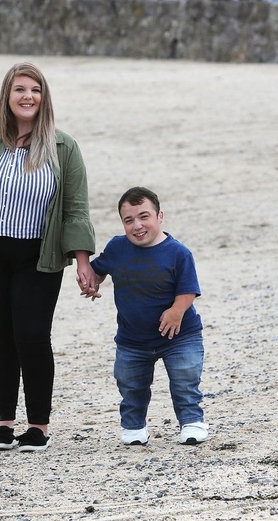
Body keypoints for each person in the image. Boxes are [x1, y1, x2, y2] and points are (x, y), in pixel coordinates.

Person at [0, 62, 97, 452]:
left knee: (31, 335)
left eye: (35, 89)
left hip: (39, 255)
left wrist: (83, 262)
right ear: (7, 96)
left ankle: (38, 427)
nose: (28, 96)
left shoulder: (63, 147)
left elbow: (76, 209)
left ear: (44, 97)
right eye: (20, 89)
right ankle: (4, 424)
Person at [79, 187, 208, 446]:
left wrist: (176, 311)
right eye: (129, 220)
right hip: (132, 339)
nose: (137, 225)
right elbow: (100, 269)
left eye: (144, 216)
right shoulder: (117, 247)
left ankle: (192, 421)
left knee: (185, 379)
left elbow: (188, 290)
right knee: (130, 385)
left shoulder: (178, 253)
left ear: (160, 216)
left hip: (179, 336)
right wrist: (92, 281)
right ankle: (134, 425)